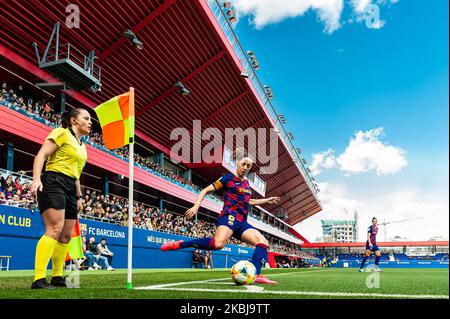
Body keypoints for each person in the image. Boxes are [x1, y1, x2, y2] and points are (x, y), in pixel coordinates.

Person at [161, 149, 281, 284]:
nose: (246, 168)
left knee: (263, 242)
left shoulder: (246, 184)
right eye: (244, 164)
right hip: (229, 217)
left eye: (248, 166)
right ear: (237, 163)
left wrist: (267, 200)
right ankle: (180, 244)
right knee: (218, 244)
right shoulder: (227, 178)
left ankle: (257, 274)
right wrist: (196, 206)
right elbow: (206, 190)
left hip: (242, 223)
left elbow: (248, 201)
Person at [30, 108, 91, 289]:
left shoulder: (83, 146)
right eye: (86, 118)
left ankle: (57, 276)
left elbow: (76, 174)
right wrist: (36, 179)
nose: (90, 122)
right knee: (54, 228)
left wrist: (79, 196)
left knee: (65, 235)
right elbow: (41, 154)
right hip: (54, 181)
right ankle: (39, 279)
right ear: (73, 120)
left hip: (71, 186)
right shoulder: (61, 133)